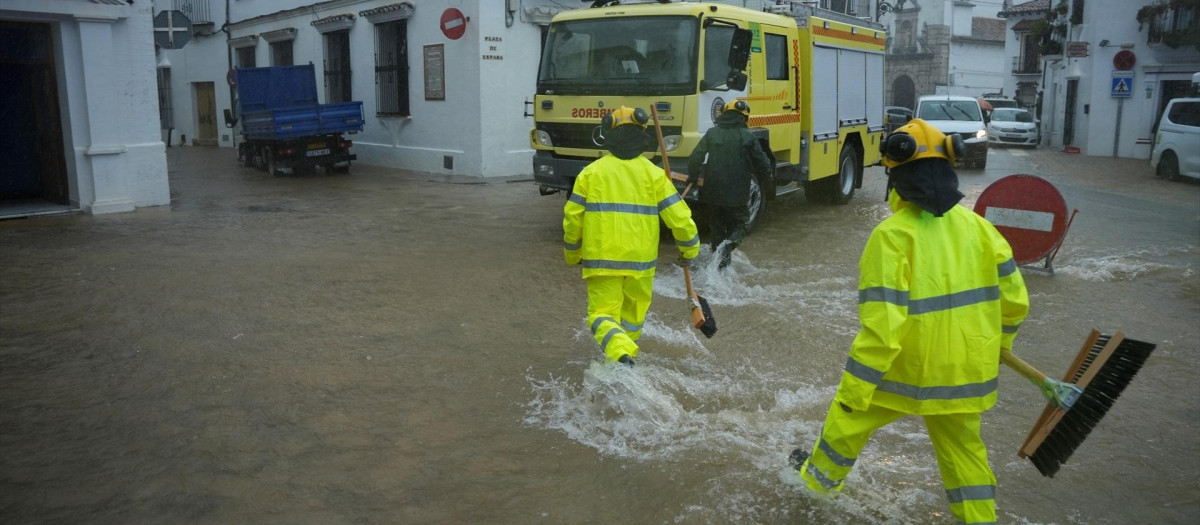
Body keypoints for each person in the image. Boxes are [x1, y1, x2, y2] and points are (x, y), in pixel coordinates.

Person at [787, 118, 1030, 524]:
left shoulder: (891, 236)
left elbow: (883, 330)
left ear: (896, 177)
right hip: (965, 372)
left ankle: (812, 494)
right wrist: (999, 348)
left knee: (845, 425)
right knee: (965, 454)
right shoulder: (982, 229)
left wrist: (854, 390)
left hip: (903, 371)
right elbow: (1016, 303)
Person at [563, 106, 700, 366]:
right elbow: (680, 218)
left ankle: (619, 354)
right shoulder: (654, 174)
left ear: (608, 135)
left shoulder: (590, 173)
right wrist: (689, 250)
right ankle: (624, 362)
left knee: (601, 315)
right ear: (642, 135)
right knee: (633, 319)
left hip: (602, 261)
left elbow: (572, 218)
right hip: (641, 264)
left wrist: (572, 253)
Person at [686, 100, 771, 270]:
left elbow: (695, 157)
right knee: (742, 223)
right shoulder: (748, 137)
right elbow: (763, 164)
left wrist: (693, 177)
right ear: (744, 118)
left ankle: (718, 268)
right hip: (736, 194)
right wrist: (767, 180)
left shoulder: (712, 133)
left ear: (724, 114)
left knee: (717, 229)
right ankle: (728, 246)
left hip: (712, 193)